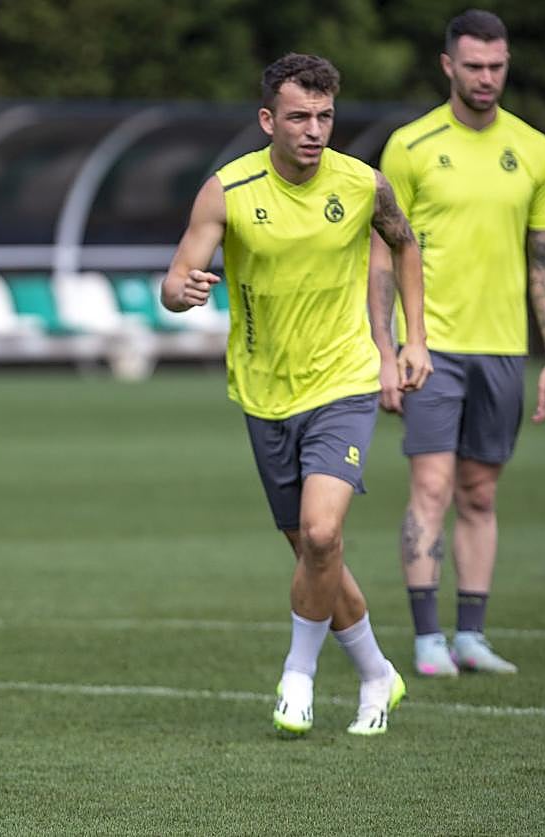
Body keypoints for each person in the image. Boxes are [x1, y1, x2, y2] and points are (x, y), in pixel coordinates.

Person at [161, 54, 433, 736]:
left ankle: (297, 676)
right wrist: (181, 292)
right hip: (262, 391)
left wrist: (413, 339)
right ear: (267, 120)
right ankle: (377, 672)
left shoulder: (364, 184)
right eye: (299, 117)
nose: (314, 130)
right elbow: (175, 279)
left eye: (325, 117)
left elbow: (404, 245)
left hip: (344, 380)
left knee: (322, 531)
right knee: (315, 553)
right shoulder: (228, 189)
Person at [372, 9, 545, 677]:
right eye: (474, 66)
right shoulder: (411, 145)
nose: (487, 78)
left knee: (480, 493)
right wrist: (386, 349)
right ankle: (428, 638)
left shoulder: (536, 150)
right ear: (448, 66)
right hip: (430, 346)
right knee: (431, 485)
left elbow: (544, 257)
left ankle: (470, 635)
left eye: (497, 66)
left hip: (504, 348)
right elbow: (381, 256)